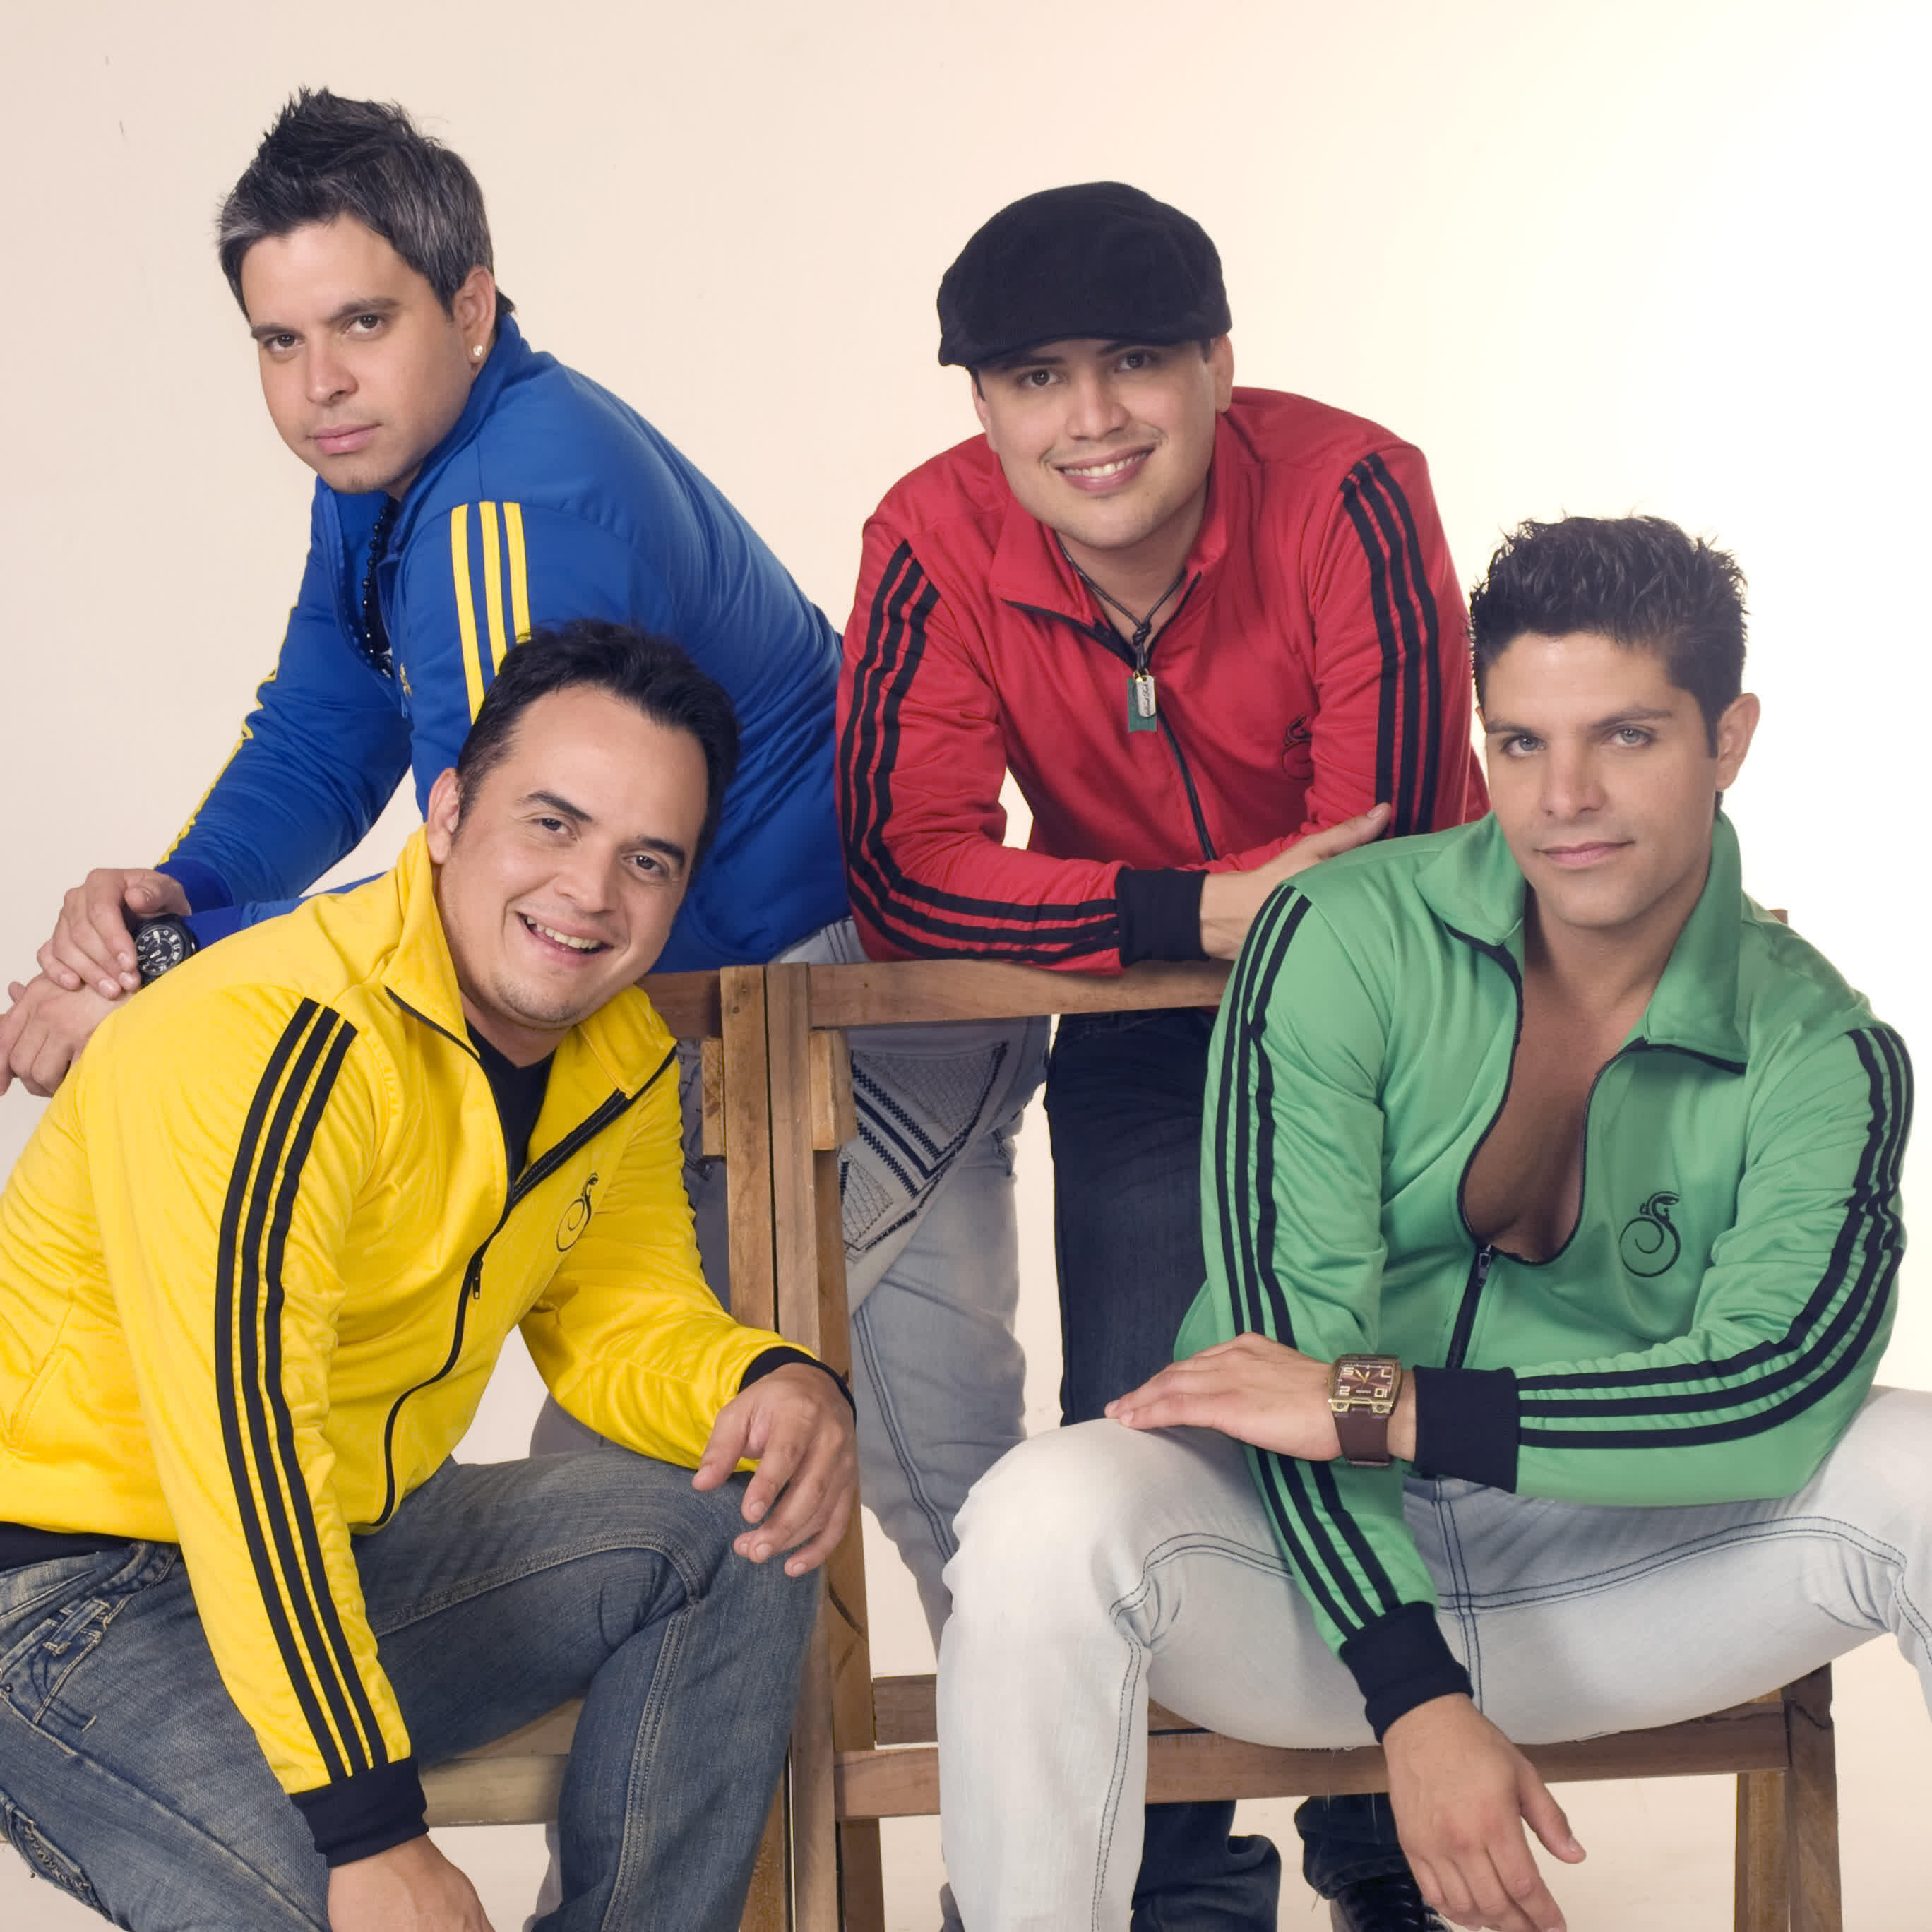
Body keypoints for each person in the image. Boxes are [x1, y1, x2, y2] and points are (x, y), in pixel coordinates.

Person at [0, 88, 1037, 1638]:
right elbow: (325, 727)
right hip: (722, 1001)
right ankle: (1121, 1790)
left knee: (686, 1501)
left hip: (837, 1006)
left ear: (471, 307)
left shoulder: (509, 500)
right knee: (881, 1500)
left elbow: (496, 890)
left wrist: (159, 988)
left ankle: (1114, 1775)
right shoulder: (389, 461)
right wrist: (172, 906)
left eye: (362, 323)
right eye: (279, 341)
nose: (320, 383)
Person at [936, 514, 1930, 1932]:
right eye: (1521, 743)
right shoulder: (1341, 937)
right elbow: (1279, 1370)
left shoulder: (1821, 1046)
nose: (1565, 798)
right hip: (1294, 1581)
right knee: (1041, 1516)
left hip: (1617, 1568)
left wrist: (1383, 1403)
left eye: (1627, 736)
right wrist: (1414, 1697)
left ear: (1730, 738)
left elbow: (1772, 1390)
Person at [838, 181, 1485, 1926]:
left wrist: (1168, 910)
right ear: (985, 404)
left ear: (1217, 364)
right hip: (1145, 1019)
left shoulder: (1353, 487)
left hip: (1397, 1028)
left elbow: (1386, 854)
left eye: (1133, 362)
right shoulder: (929, 534)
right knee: (1140, 1429)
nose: (1092, 417)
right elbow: (905, 868)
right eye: (1035, 378)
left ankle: (1387, 1857)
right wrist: (1182, 909)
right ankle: (1171, 1893)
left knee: (1361, 1407)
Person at [0, 622, 857, 1932]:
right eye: (552, 824)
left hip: (358, 1550)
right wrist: (370, 1830)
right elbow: (249, 1457)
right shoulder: (264, 1038)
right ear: (448, 812)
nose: (591, 893)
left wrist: (774, 1379)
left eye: (647, 859)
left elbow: (624, 1315)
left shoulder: (614, 1052)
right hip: (66, 1607)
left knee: (744, 1529)